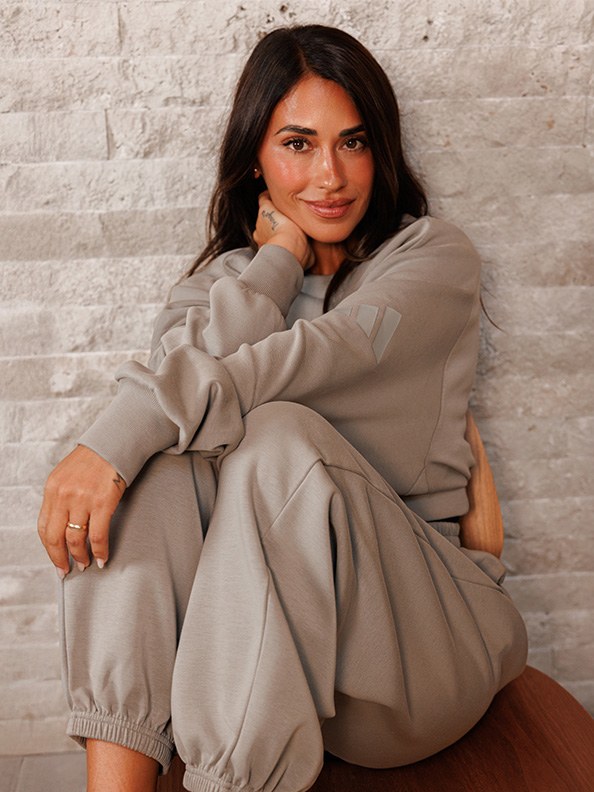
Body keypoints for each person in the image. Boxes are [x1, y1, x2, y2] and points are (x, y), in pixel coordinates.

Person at [37, 24, 528, 792]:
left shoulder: (432, 260)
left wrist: (116, 433)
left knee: (271, 434)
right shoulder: (227, 282)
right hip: (278, 666)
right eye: (298, 144)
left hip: (422, 643)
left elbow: (309, 362)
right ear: (256, 159)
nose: (330, 175)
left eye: (353, 142)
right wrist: (275, 265)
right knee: (155, 470)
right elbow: (177, 382)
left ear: (382, 150)